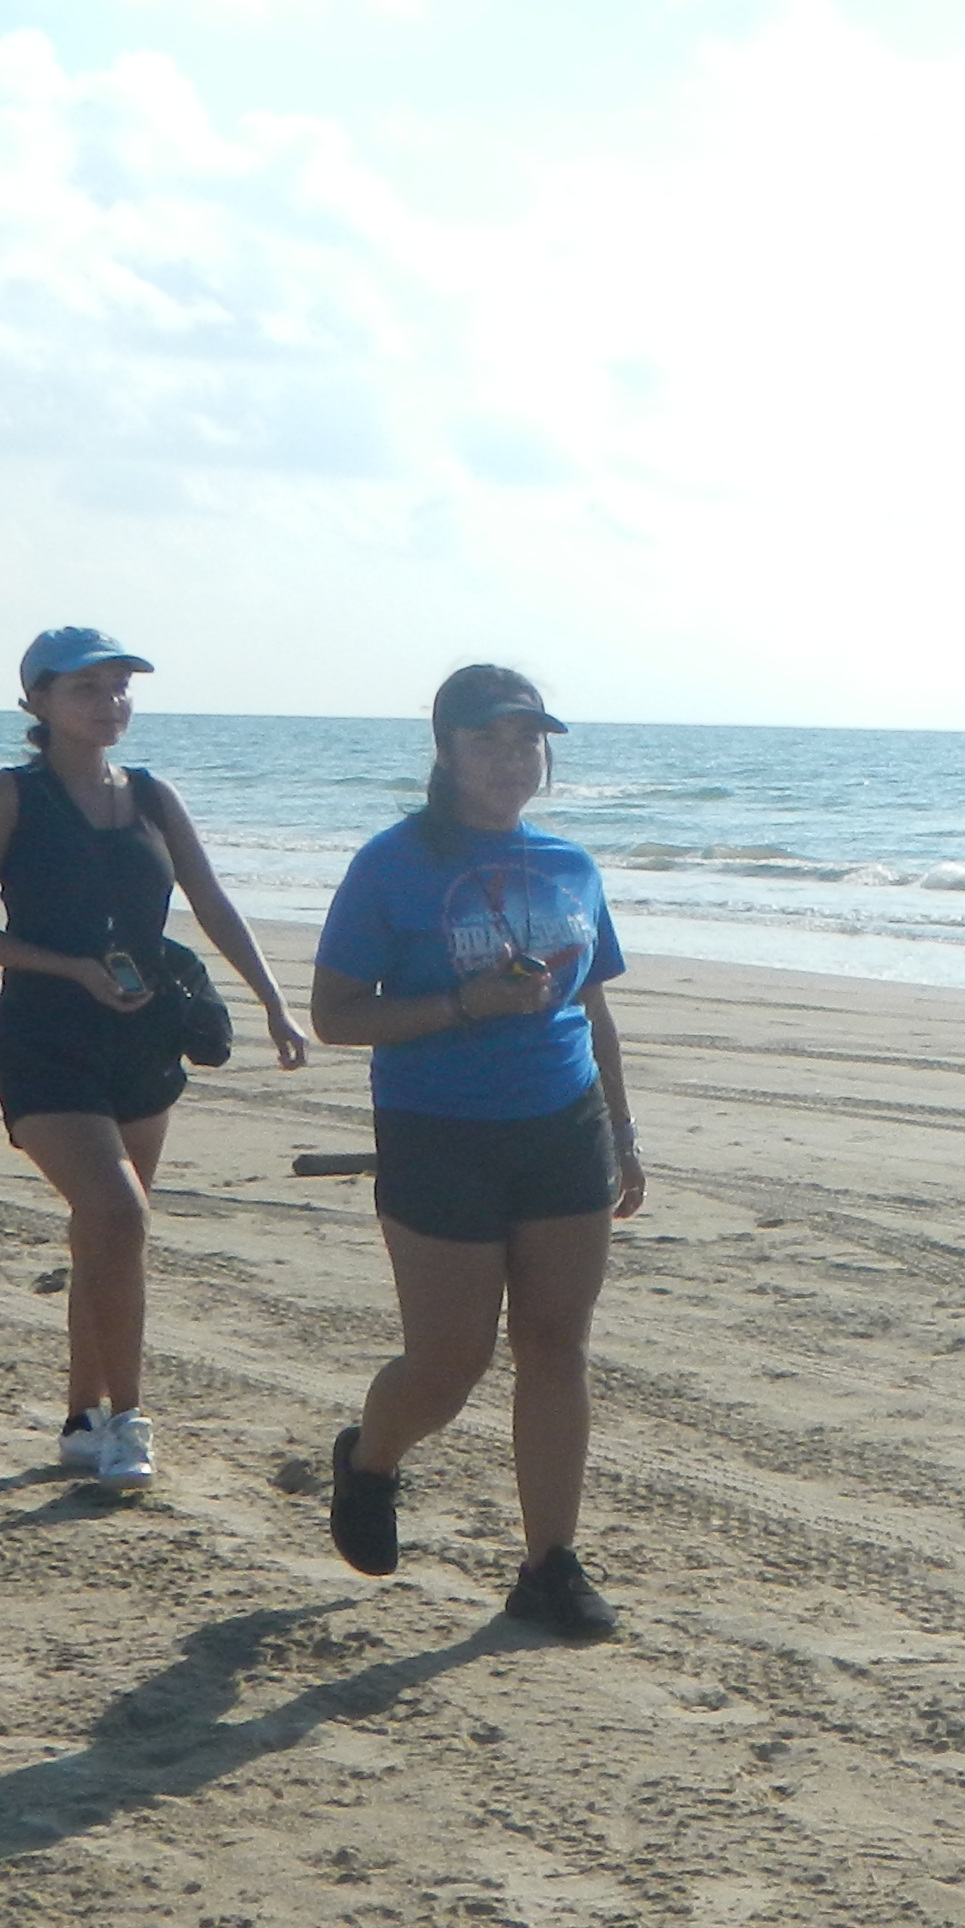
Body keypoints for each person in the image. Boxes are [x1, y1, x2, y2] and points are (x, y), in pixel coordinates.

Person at [307, 666, 644, 1644]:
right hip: (439, 1131)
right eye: (490, 741)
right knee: (449, 1366)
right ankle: (369, 1458)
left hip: (563, 1128)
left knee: (556, 1345)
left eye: (527, 741)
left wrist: (622, 1134)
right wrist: (465, 1003)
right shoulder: (393, 863)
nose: (512, 759)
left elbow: (595, 1006)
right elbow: (334, 1014)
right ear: (447, 752)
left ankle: (549, 1566)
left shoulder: (572, 864)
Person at [0, 626, 307, 1488]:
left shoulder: (151, 796)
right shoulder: (8, 797)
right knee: (121, 1214)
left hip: (142, 1035)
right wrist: (71, 969)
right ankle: (132, 1420)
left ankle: (81, 1417)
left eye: (119, 688)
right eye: (86, 690)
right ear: (37, 703)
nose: (109, 704)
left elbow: (209, 901)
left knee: (106, 1233)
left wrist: (273, 1000)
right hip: (44, 1036)